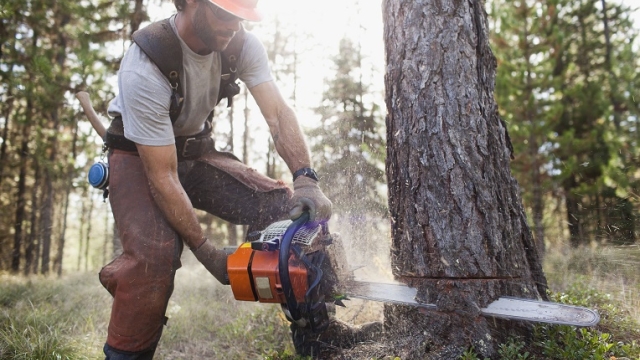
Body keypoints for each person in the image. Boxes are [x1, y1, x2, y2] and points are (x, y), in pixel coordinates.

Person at [99, 0, 332, 358]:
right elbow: (162, 173)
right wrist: (205, 249)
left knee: (289, 211)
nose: (233, 26)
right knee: (155, 259)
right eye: (224, 14)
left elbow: (278, 114)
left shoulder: (241, 44)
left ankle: (321, 334)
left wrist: (305, 178)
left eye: (240, 17)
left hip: (196, 151)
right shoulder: (147, 62)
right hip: (137, 155)